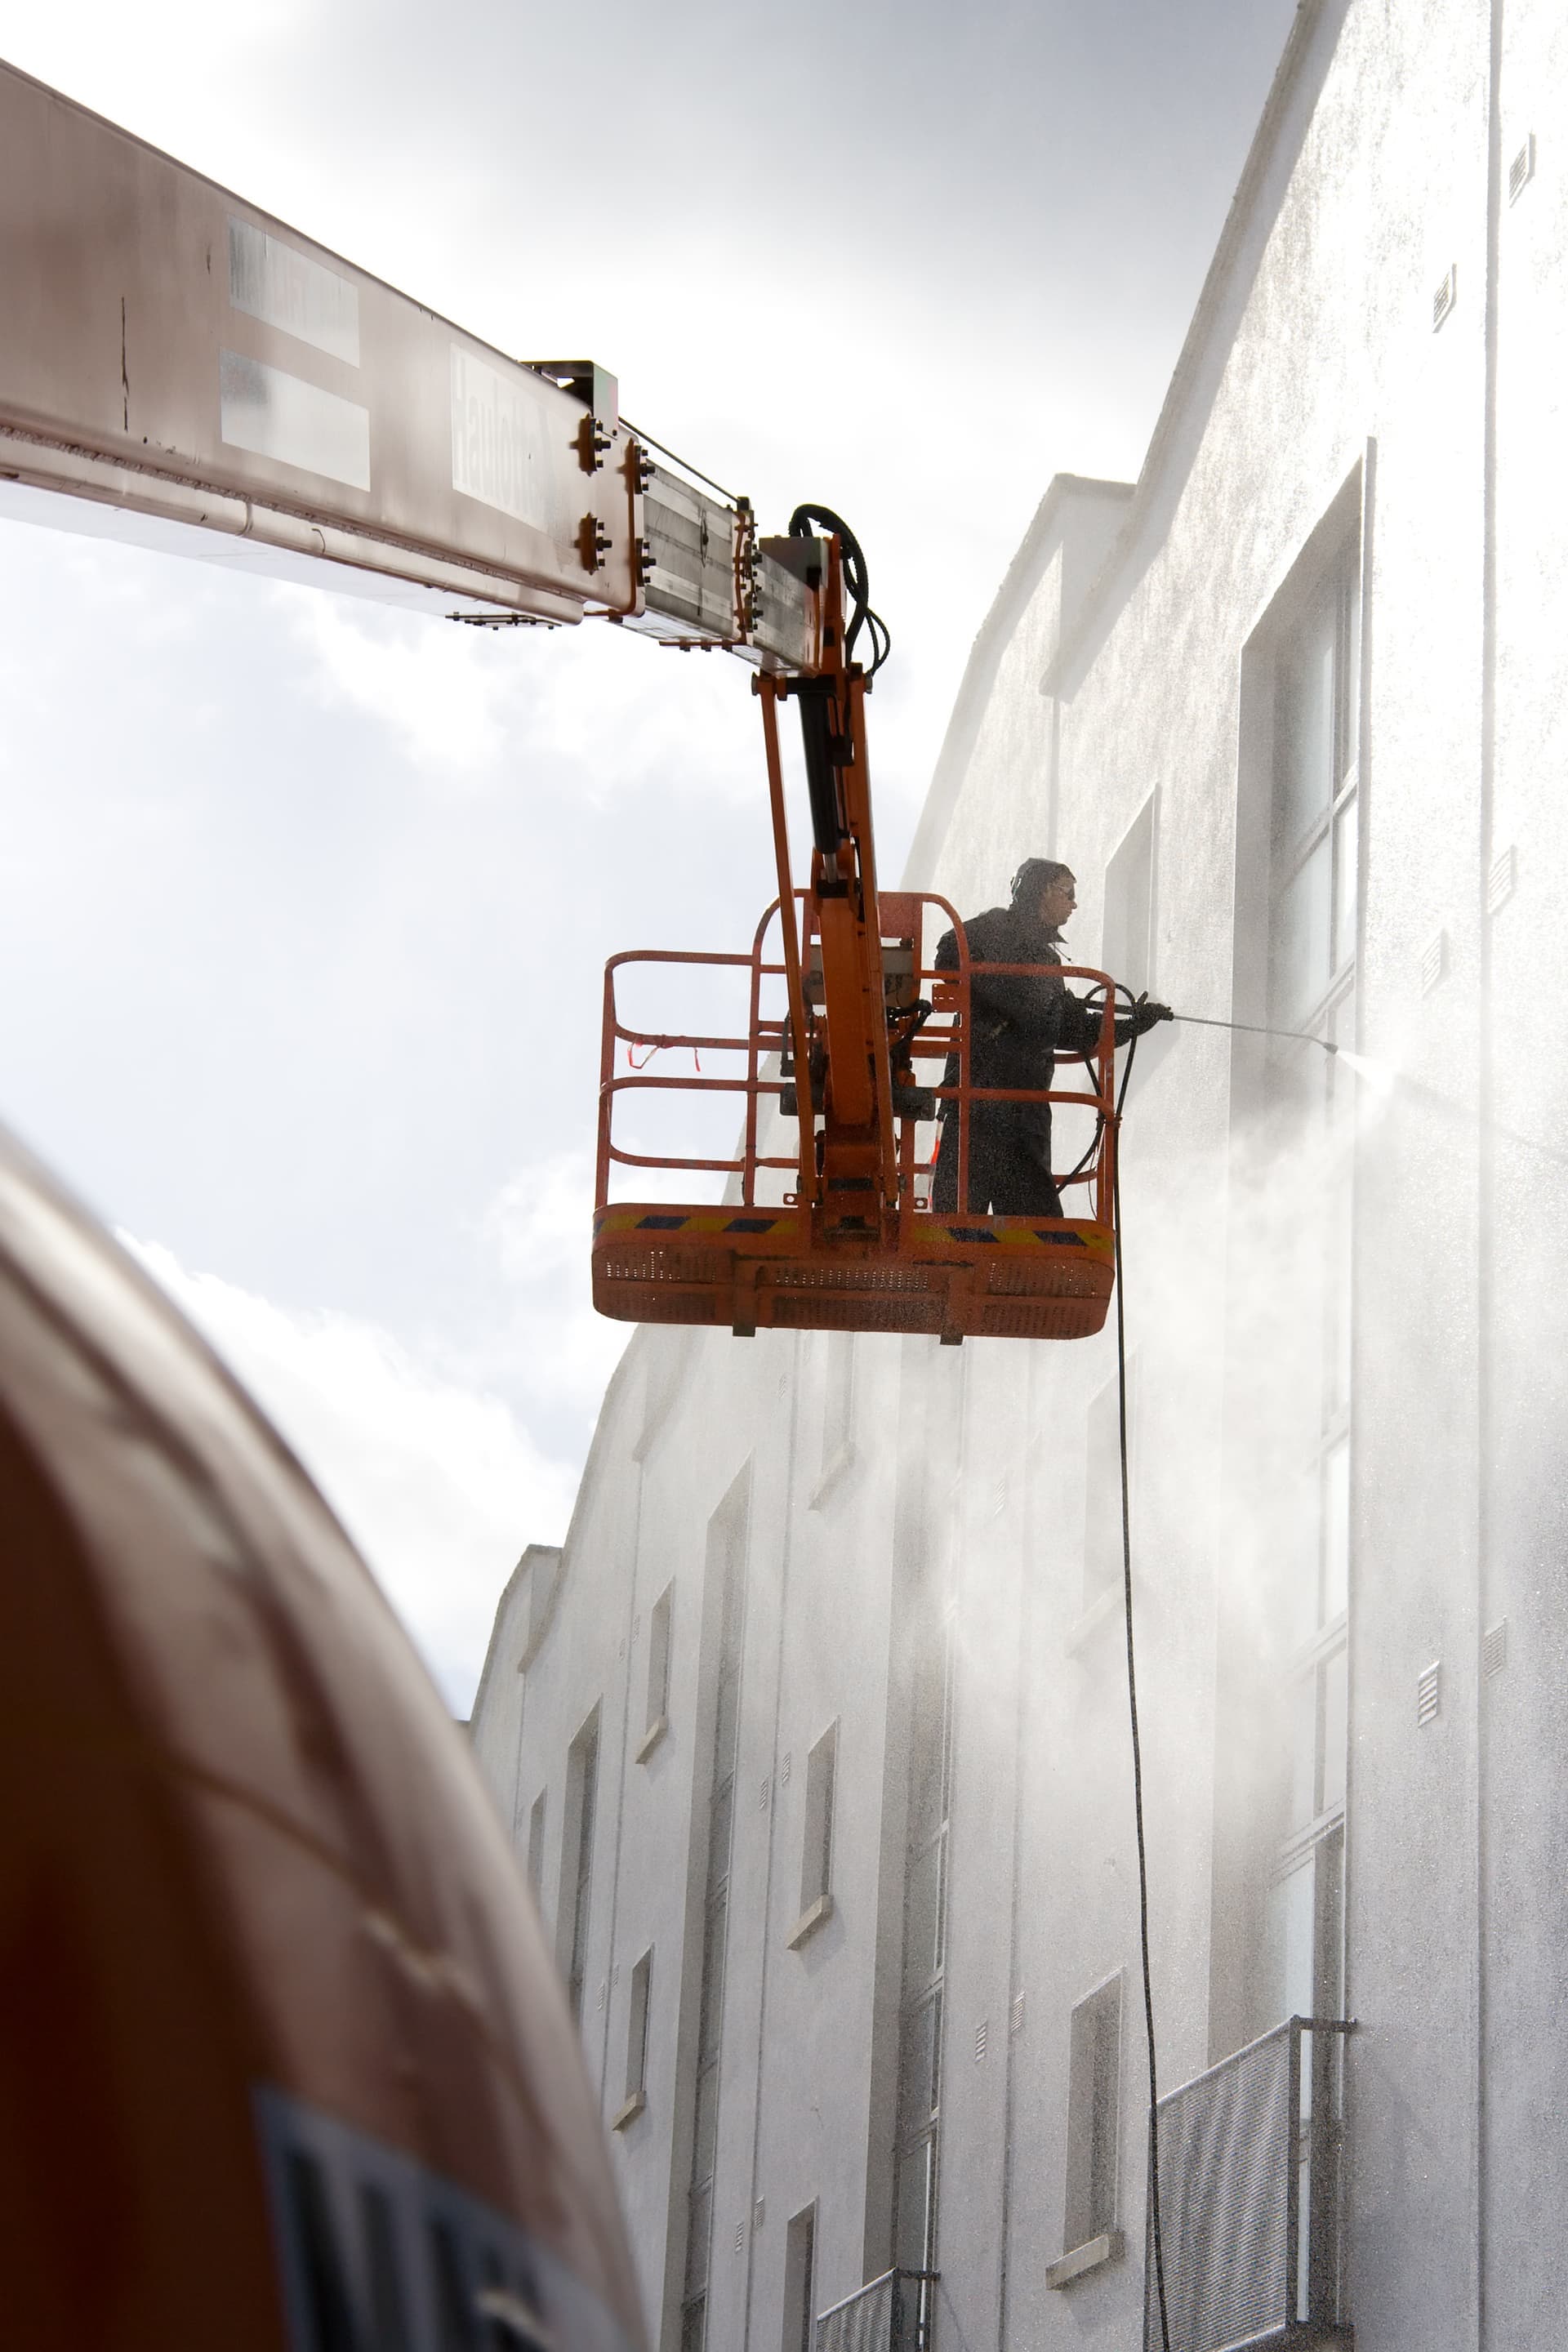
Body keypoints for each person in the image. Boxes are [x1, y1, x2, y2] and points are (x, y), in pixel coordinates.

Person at [930, 857, 1171, 1216]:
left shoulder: (1048, 966)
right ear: (1041, 890)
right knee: (956, 1225)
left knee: (1037, 1229)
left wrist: (1134, 1024)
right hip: (974, 1104)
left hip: (1023, 1114)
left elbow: (1076, 1030)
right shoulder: (995, 927)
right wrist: (1009, 1002)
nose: (1075, 903)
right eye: (1068, 892)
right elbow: (948, 953)